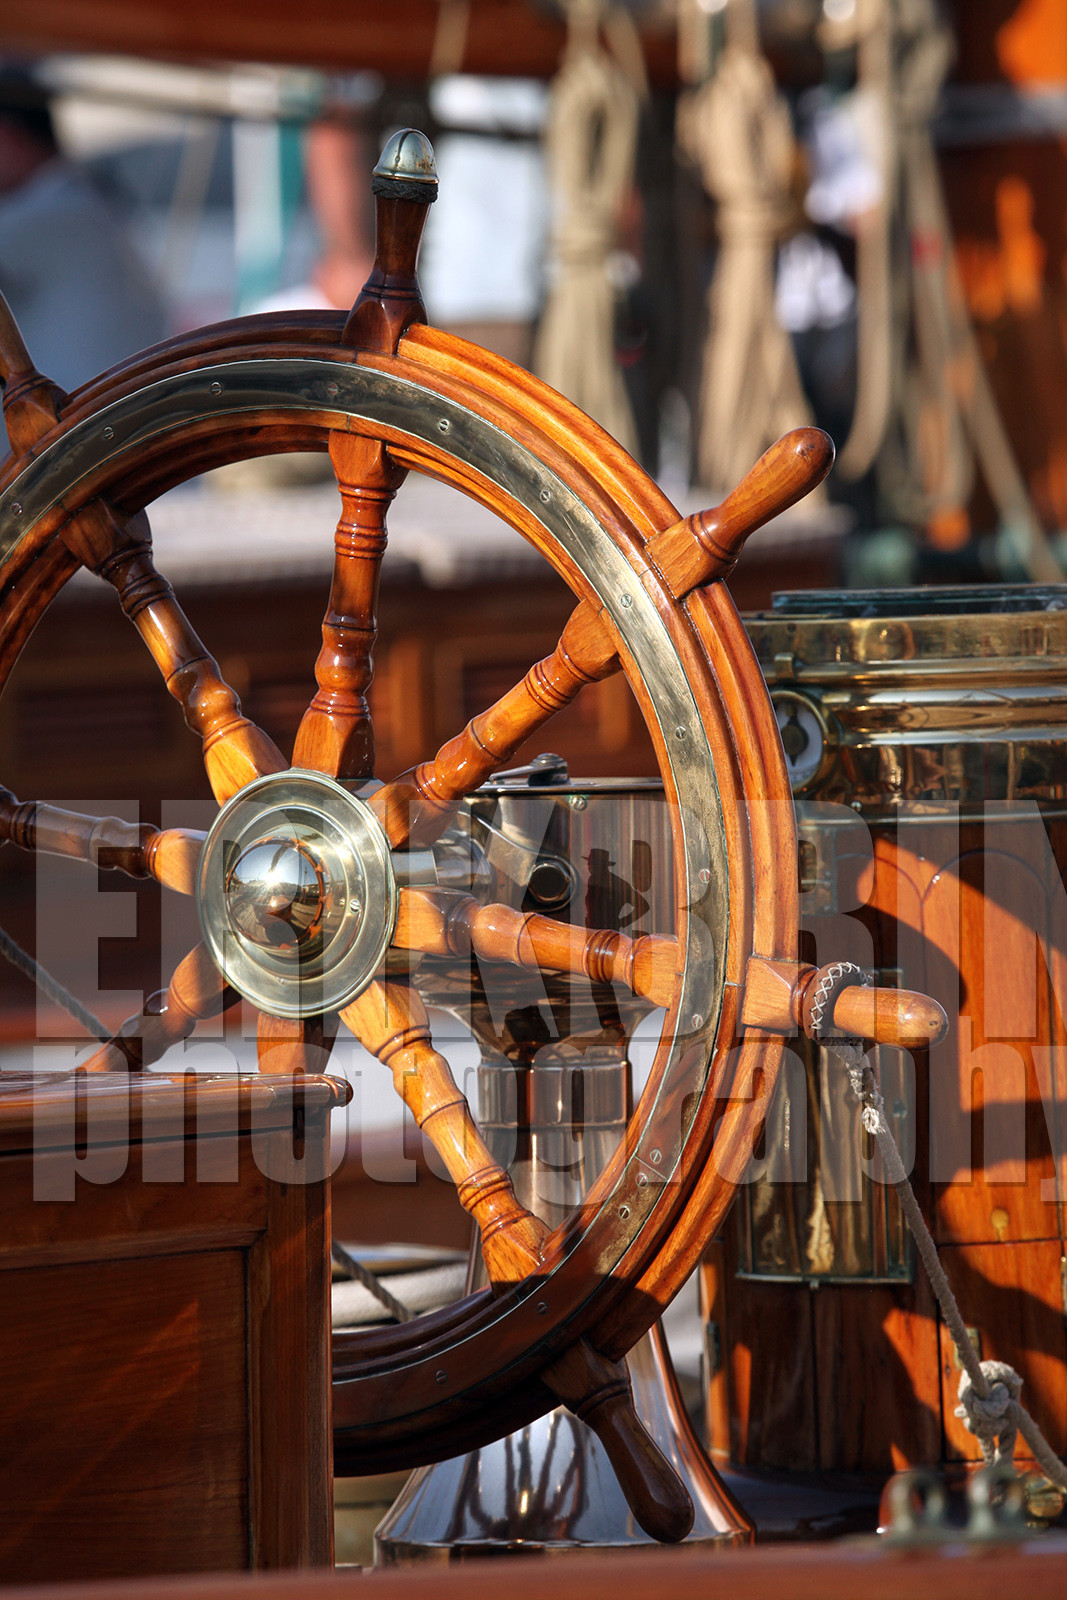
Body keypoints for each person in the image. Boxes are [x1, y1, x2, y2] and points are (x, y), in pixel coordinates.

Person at [0, 66, 166, 435]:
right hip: (116, 448)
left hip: (79, 460)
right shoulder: (83, 203)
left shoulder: (49, 217)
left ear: (8, 136)